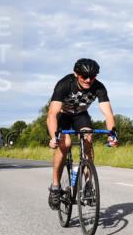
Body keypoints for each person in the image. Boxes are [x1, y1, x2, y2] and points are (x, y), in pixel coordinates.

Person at [46, 59, 118, 209]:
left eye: (92, 77)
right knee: (64, 144)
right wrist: (54, 137)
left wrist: (112, 134)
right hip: (63, 115)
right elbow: (52, 114)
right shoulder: (64, 84)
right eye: (84, 76)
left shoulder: (99, 87)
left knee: (88, 138)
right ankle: (55, 186)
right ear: (76, 74)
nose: (88, 80)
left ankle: (88, 185)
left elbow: (109, 114)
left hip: (80, 115)